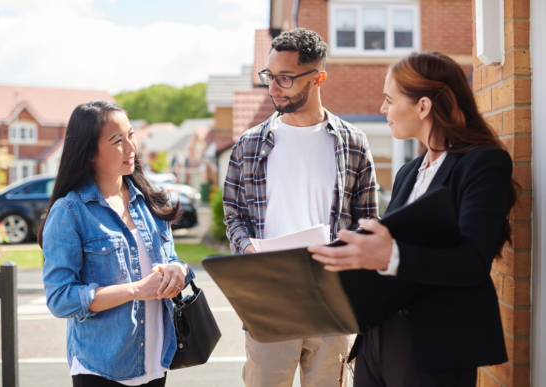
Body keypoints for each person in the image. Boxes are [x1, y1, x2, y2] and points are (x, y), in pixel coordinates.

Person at [309, 51, 518, 387]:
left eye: (389, 100)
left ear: (423, 107)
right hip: (377, 337)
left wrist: (389, 255)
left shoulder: (483, 163)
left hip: (434, 345)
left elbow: (472, 261)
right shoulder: (408, 171)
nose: (382, 109)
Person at [223, 28, 378, 387]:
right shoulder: (248, 144)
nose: (272, 87)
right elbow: (234, 216)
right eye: (269, 76)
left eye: (285, 78)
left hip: (331, 301)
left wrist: (340, 249)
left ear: (318, 78)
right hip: (271, 299)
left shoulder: (353, 143)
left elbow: (368, 219)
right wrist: (247, 248)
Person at [39, 100, 194, 387]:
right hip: (102, 367)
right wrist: (135, 290)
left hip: (156, 361)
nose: (131, 147)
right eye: (117, 141)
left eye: (131, 135)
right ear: (89, 153)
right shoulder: (70, 211)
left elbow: (173, 258)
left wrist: (179, 270)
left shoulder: (149, 201)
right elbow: (60, 299)